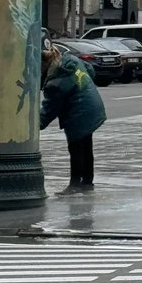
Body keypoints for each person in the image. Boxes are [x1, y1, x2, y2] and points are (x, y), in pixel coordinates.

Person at [39, 34, 107, 194]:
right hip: (93, 105)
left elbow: (49, 109)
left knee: (75, 147)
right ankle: (87, 182)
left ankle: (75, 184)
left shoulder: (55, 83)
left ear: (44, 64)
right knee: (86, 146)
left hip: (79, 112)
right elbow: (90, 70)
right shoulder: (71, 60)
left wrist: (34, 124)